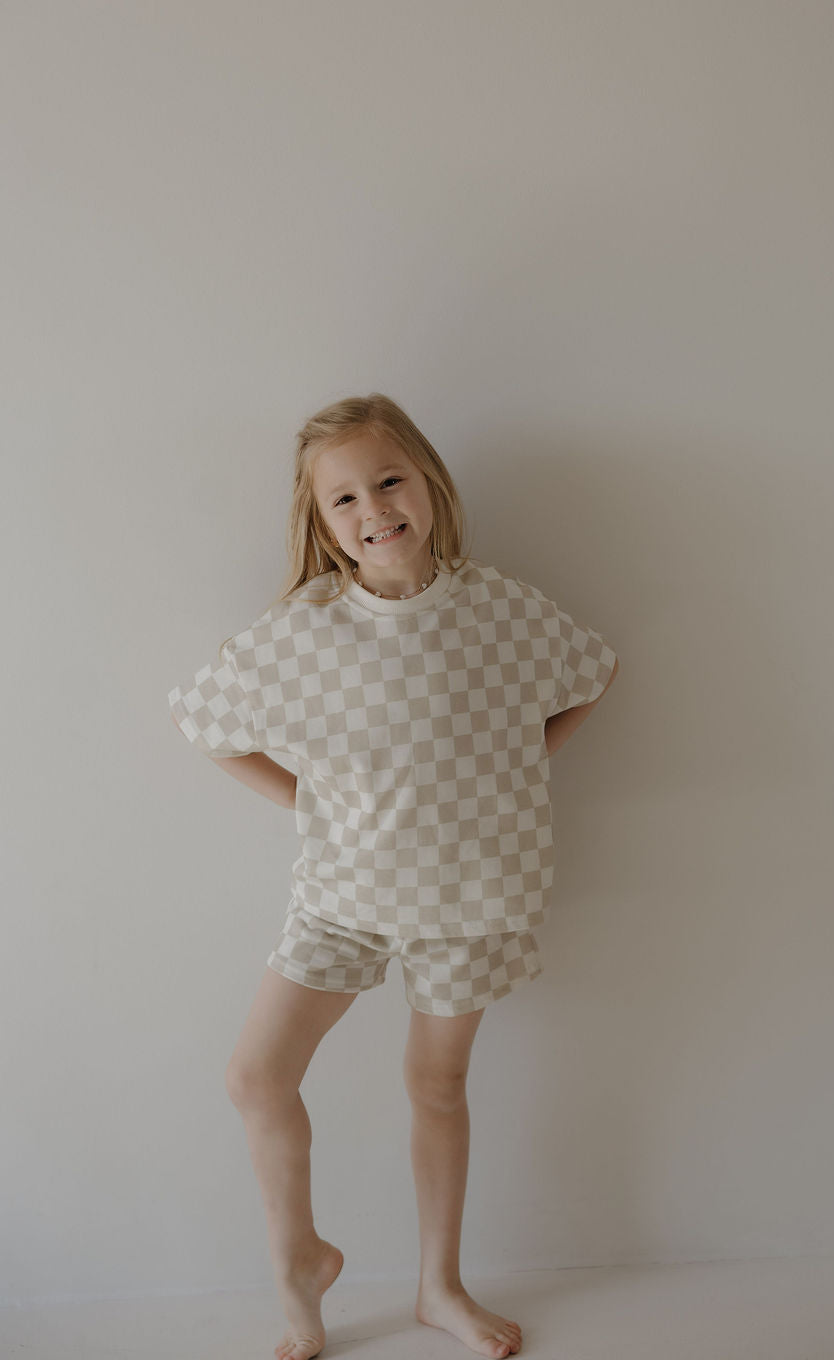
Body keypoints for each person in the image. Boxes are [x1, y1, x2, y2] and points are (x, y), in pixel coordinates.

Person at [167, 392, 620, 1360]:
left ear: (427, 484)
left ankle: (437, 1286)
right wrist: (304, 800)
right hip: (344, 897)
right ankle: (300, 1263)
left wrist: (520, 763)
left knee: (438, 1083)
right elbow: (204, 725)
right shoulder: (306, 630)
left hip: (472, 896)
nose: (373, 509)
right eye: (344, 500)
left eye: (387, 481)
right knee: (255, 1077)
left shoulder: (498, 608)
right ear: (322, 525)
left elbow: (591, 675)